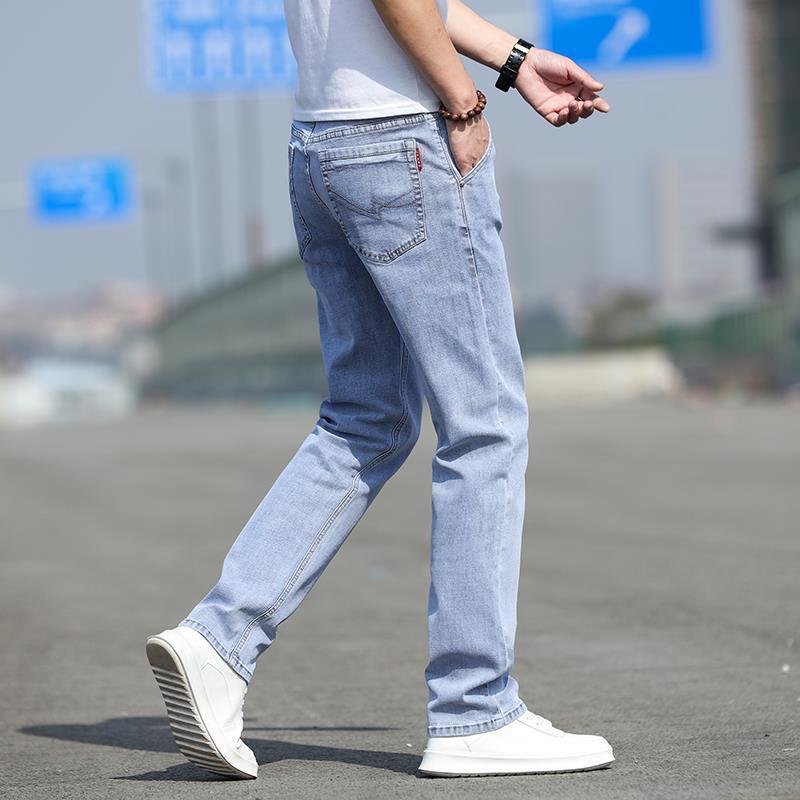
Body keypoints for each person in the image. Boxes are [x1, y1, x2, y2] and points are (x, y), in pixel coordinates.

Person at [146, 0, 613, 780]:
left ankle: (218, 640)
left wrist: (513, 58)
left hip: (321, 143)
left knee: (366, 418)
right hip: (403, 139)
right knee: (485, 423)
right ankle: (475, 709)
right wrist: (462, 100)